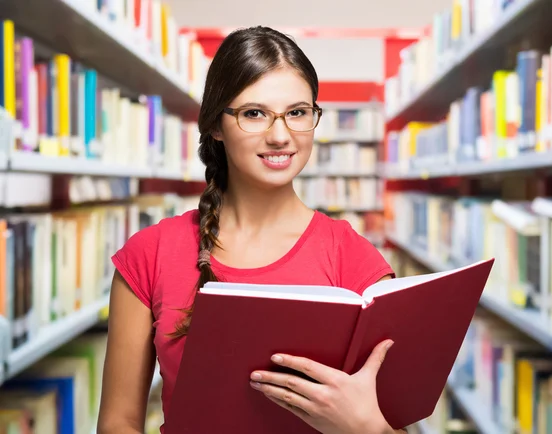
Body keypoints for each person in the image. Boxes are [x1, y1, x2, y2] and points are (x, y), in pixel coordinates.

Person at [97, 25, 407, 434]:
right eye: (254, 113)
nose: (280, 136)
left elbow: (394, 420)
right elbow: (118, 423)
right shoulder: (149, 255)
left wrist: (367, 427)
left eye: (297, 112)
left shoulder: (356, 261)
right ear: (215, 125)